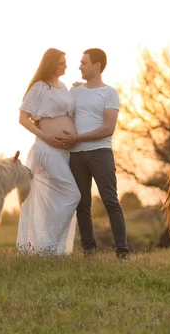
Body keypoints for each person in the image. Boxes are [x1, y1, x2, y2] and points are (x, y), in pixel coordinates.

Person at [59, 48, 130, 259]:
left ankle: (122, 251)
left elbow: (108, 128)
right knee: (82, 204)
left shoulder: (109, 93)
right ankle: (89, 251)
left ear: (97, 66)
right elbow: (63, 116)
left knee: (110, 201)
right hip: (76, 156)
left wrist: (77, 138)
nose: (79, 66)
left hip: (100, 153)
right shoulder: (74, 92)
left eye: (84, 62)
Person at [16, 48, 81, 255]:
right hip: (46, 149)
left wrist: (77, 90)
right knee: (72, 194)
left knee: (54, 201)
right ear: (51, 64)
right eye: (62, 62)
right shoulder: (39, 87)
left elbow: (69, 109)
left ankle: (51, 249)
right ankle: (48, 245)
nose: (66, 66)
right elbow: (23, 119)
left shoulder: (63, 87)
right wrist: (46, 137)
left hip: (63, 153)